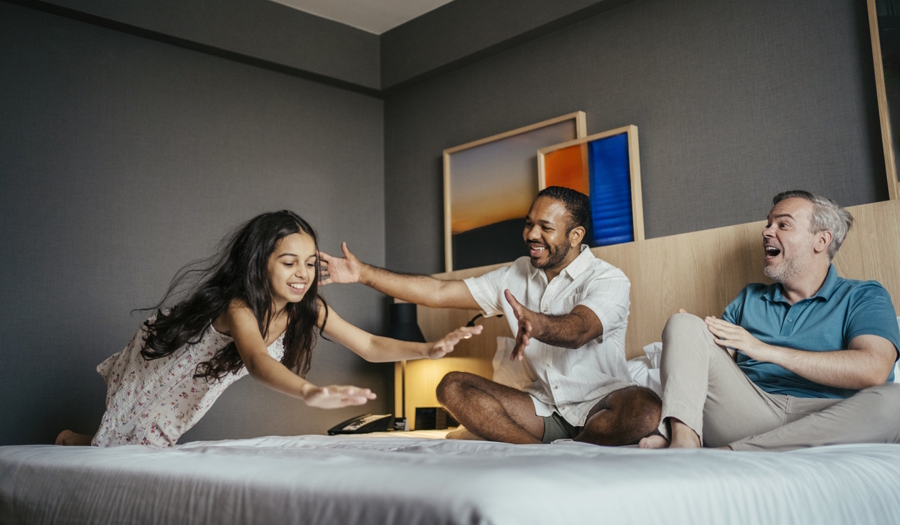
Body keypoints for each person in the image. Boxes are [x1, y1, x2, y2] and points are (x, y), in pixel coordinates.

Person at [56, 210, 480, 447]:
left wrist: (427, 351)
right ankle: (70, 441)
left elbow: (367, 343)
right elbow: (258, 361)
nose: (303, 275)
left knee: (139, 448)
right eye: (289, 262)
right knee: (127, 448)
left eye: (311, 264)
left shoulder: (306, 308)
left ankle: (69, 440)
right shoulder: (239, 305)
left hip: (198, 384)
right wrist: (308, 391)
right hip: (160, 366)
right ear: (261, 264)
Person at [319, 186, 661, 445]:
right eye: (529, 225)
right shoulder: (515, 274)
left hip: (603, 409)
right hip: (542, 412)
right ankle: (538, 456)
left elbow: (581, 329)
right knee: (452, 386)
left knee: (646, 409)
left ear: (576, 236)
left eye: (545, 227)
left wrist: (536, 323)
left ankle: (570, 450)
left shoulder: (608, 279)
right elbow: (439, 292)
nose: (531, 235)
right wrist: (362, 273)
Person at [640, 190, 900, 451]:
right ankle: (684, 442)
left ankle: (733, 453)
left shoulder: (864, 296)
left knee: (896, 401)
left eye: (783, 224)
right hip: (751, 412)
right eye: (768, 224)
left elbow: (874, 369)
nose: (766, 232)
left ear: (821, 240)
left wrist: (766, 351)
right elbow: (720, 365)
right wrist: (695, 340)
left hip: (830, 417)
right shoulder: (749, 298)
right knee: (684, 324)